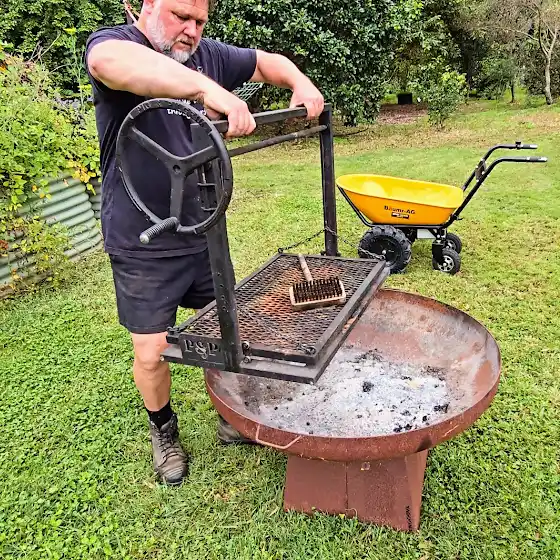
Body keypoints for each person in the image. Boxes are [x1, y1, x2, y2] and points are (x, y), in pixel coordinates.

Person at [85, 0, 324, 486]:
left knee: (227, 329)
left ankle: (230, 413)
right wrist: (208, 89)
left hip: (203, 228)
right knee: (152, 351)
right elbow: (109, 64)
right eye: (181, 16)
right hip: (141, 237)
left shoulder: (206, 54)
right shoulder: (116, 44)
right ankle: (163, 430)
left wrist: (299, 81)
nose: (191, 30)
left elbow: (266, 63)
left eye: (199, 22)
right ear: (146, 5)